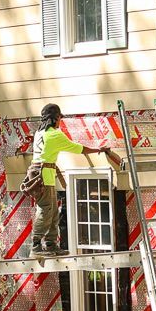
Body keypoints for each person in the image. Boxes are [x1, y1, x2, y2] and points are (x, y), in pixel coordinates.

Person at [26, 104, 109, 254]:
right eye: (59, 118)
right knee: (46, 211)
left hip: (42, 175)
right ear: (55, 119)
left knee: (53, 212)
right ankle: (36, 245)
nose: (60, 121)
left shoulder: (40, 133)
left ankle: (50, 244)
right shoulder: (54, 135)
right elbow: (78, 148)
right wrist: (98, 149)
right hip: (43, 177)